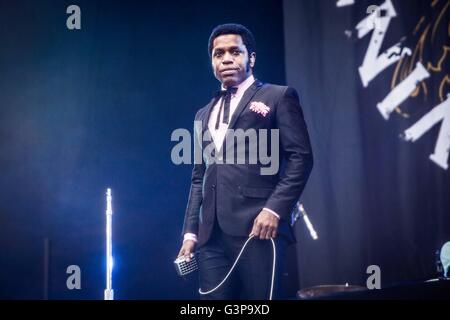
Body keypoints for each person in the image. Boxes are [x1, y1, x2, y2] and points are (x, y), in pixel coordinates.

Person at [178, 23, 313, 299]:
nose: (226, 58)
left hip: (259, 229)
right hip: (211, 237)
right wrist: (190, 233)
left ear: (251, 58)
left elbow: (301, 157)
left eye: (234, 52)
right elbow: (198, 176)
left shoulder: (278, 96)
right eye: (218, 54)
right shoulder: (202, 114)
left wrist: (274, 210)